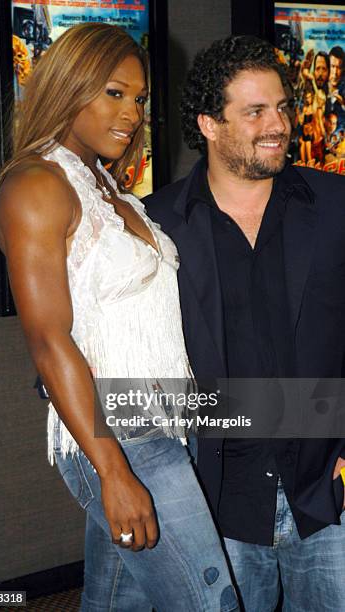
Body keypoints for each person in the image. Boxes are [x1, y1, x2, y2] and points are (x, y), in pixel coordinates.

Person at [0, 23, 238, 612]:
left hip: (163, 421)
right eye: (113, 93)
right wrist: (114, 471)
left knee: (117, 603)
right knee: (211, 603)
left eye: (140, 98)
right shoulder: (36, 185)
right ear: (69, 89)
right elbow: (49, 343)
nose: (131, 112)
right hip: (122, 437)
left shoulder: (108, 187)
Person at [145, 36, 345, 611]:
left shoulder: (336, 207)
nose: (277, 123)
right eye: (254, 111)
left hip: (326, 493)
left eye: (281, 106)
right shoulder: (156, 227)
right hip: (217, 503)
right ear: (209, 123)